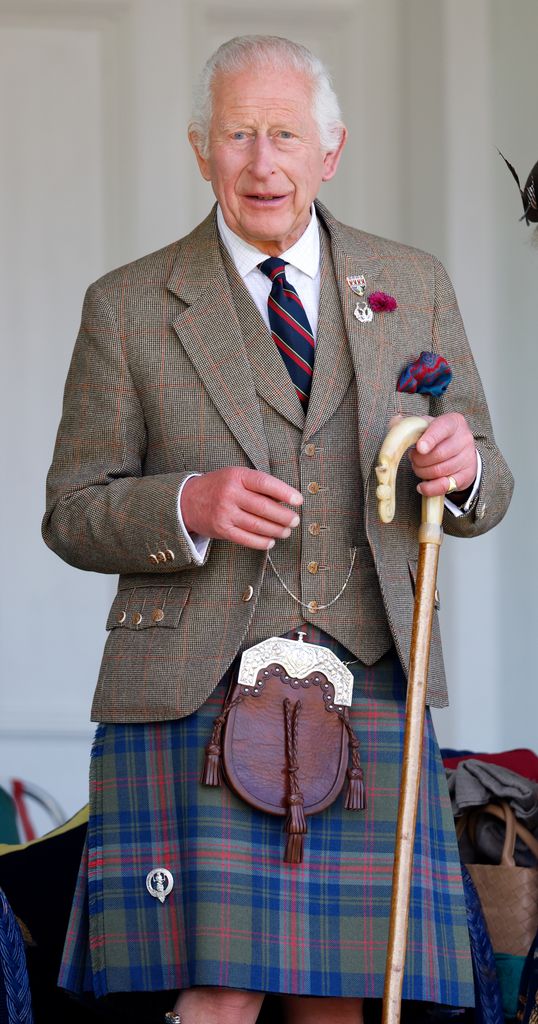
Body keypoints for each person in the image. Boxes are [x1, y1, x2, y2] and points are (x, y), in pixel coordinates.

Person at [42, 34, 513, 1024]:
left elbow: (486, 479)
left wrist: (461, 471)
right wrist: (187, 505)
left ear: (330, 150)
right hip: (192, 689)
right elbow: (73, 508)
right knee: (218, 992)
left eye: (286, 134)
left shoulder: (408, 284)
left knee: (339, 997)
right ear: (199, 148)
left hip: (369, 673)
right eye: (238, 134)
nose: (263, 162)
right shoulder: (126, 308)